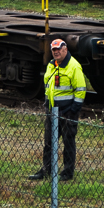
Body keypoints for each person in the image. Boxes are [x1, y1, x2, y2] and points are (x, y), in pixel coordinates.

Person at [27, 37, 86, 181]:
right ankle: (46, 170)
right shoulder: (52, 65)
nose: (56, 52)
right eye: (54, 50)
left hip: (67, 112)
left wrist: (73, 110)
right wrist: (48, 105)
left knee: (68, 142)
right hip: (52, 111)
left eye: (59, 49)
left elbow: (81, 90)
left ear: (65, 49)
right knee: (49, 142)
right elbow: (49, 86)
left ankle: (67, 173)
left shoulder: (74, 66)